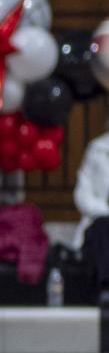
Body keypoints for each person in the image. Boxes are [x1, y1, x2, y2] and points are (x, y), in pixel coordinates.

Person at [73, 126, 109, 295]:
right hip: (100, 221)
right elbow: (82, 195)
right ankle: (105, 288)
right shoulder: (98, 149)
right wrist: (105, 211)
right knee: (102, 226)